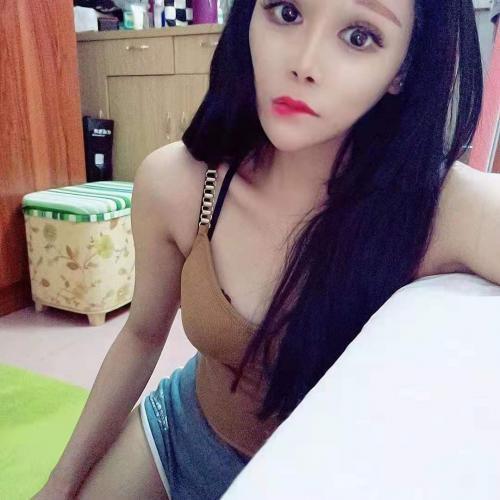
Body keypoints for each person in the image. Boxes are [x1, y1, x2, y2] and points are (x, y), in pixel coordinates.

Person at [35, 0, 491, 498]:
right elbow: (142, 336)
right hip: (179, 433)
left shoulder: (441, 210)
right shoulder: (179, 183)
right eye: (287, 12)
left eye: (359, 36)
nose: (304, 63)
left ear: (401, 70)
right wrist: (59, 483)